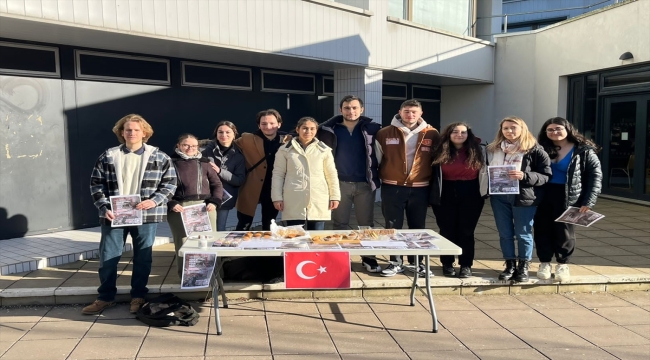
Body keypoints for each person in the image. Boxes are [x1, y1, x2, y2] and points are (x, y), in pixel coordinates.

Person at [83, 114, 177, 315]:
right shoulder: (108, 155)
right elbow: (96, 184)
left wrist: (154, 201)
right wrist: (103, 207)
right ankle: (105, 297)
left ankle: (138, 296)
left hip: (146, 214)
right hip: (114, 214)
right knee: (108, 256)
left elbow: (170, 183)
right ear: (121, 132)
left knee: (143, 257)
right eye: (127, 129)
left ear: (145, 132)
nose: (132, 133)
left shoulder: (159, 157)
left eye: (136, 129)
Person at [317, 95, 382, 273]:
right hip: (339, 184)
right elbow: (304, 131)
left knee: (366, 225)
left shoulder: (373, 129)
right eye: (347, 108)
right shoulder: (328, 129)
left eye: (354, 108)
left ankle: (369, 258)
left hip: (365, 184)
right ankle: (339, 258)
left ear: (362, 110)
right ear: (341, 110)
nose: (350, 111)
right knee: (339, 223)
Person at [375, 99, 440, 277]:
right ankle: (395, 262)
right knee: (392, 226)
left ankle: (417, 263)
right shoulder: (384, 133)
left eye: (414, 112)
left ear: (421, 114)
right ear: (400, 112)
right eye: (406, 111)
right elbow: (378, 159)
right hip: (392, 187)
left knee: (417, 227)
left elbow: (436, 163)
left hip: (420, 188)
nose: (410, 115)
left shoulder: (432, 134)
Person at [534, 117, 602, 282]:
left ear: (568, 129)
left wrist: (588, 201)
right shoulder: (539, 148)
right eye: (550, 130)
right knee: (541, 229)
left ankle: (563, 264)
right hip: (541, 194)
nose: (554, 132)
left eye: (558, 129)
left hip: (569, 195)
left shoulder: (583, 150)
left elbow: (595, 176)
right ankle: (544, 262)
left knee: (564, 231)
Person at [487, 116, 551, 282]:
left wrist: (524, 175)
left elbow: (545, 176)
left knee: (523, 233)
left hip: (523, 197)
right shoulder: (494, 149)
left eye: (513, 128)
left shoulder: (535, 150)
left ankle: (523, 266)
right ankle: (510, 265)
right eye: (506, 128)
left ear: (523, 129)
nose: (509, 131)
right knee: (505, 233)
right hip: (499, 196)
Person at [430, 122, 487, 278]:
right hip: (445, 192)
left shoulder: (479, 150)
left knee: (466, 231)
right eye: (455, 132)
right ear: (448, 134)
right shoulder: (439, 150)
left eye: (463, 132)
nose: (459, 135)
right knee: (446, 230)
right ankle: (447, 264)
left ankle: (466, 265)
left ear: (468, 134)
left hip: (471, 192)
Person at [167, 133, 223, 278]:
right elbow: (161, 186)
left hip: (205, 207)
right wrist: (171, 202)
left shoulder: (204, 162)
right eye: (186, 145)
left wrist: (214, 202)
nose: (190, 148)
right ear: (179, 146)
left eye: (194, 145)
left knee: (207, 241)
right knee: (183, 242)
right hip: (179, 208)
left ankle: (212, 276)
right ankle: (186, 277)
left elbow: (217, 184)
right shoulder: (169, 162)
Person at [272, 117, 341, 230]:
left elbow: (331, 174)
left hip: (318, 198)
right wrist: (277, 197)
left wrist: (335, 196)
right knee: (295, 238)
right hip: (293, 199)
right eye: (304, 128)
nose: (308, 132)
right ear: (297, 129)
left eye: (312, 129)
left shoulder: (324, 150)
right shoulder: (285, 150)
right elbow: (278, 175)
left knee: (316, 239)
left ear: (316, 130)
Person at [234, 109, 291, 231]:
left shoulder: (288, 139)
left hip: (274, 188)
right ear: (259, 125)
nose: (268, 127)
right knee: (243, 225)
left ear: (279, 124)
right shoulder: (247, 139)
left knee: (269, 224)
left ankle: (267, 248)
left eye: (272, 123)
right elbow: (225, 145)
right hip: (251, 186)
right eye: (264, 124)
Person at [202, 121, 246, 231]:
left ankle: (217, 248)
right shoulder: (206, 151)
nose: (224, 135)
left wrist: (220, 171)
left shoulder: (239, 155)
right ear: (216, 134)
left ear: (234, 134)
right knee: (204, 229)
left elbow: (239, 180)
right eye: (220, 132)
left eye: (228, 132)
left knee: (220, 228)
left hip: (224, 198)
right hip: (205, 197)